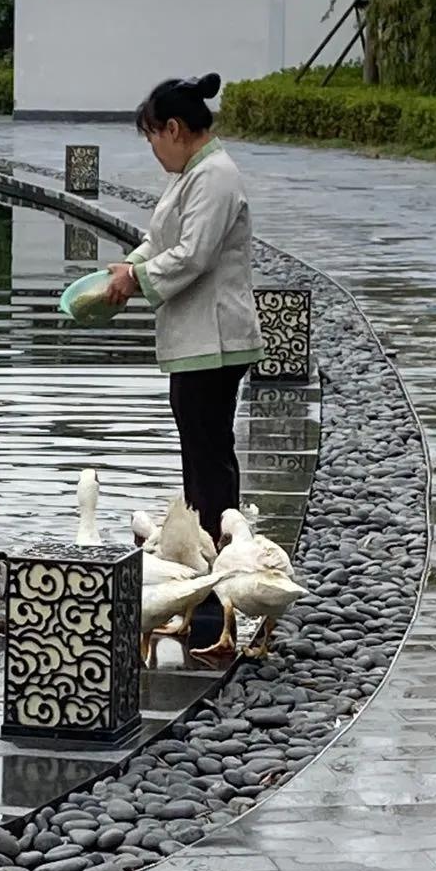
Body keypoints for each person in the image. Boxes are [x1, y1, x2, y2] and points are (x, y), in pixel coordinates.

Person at [103, 72, 263, 543]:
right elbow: (160, 239)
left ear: (173, 128)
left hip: (214, 339)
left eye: (152, 138)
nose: (154, 151)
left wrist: (134, 279)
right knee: (198, 450)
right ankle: (203, 549)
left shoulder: (215, 177)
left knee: (209, 453)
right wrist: (126, 269)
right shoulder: (190, 174)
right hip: (196, 339)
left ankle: (219, 555)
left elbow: (193, 253)